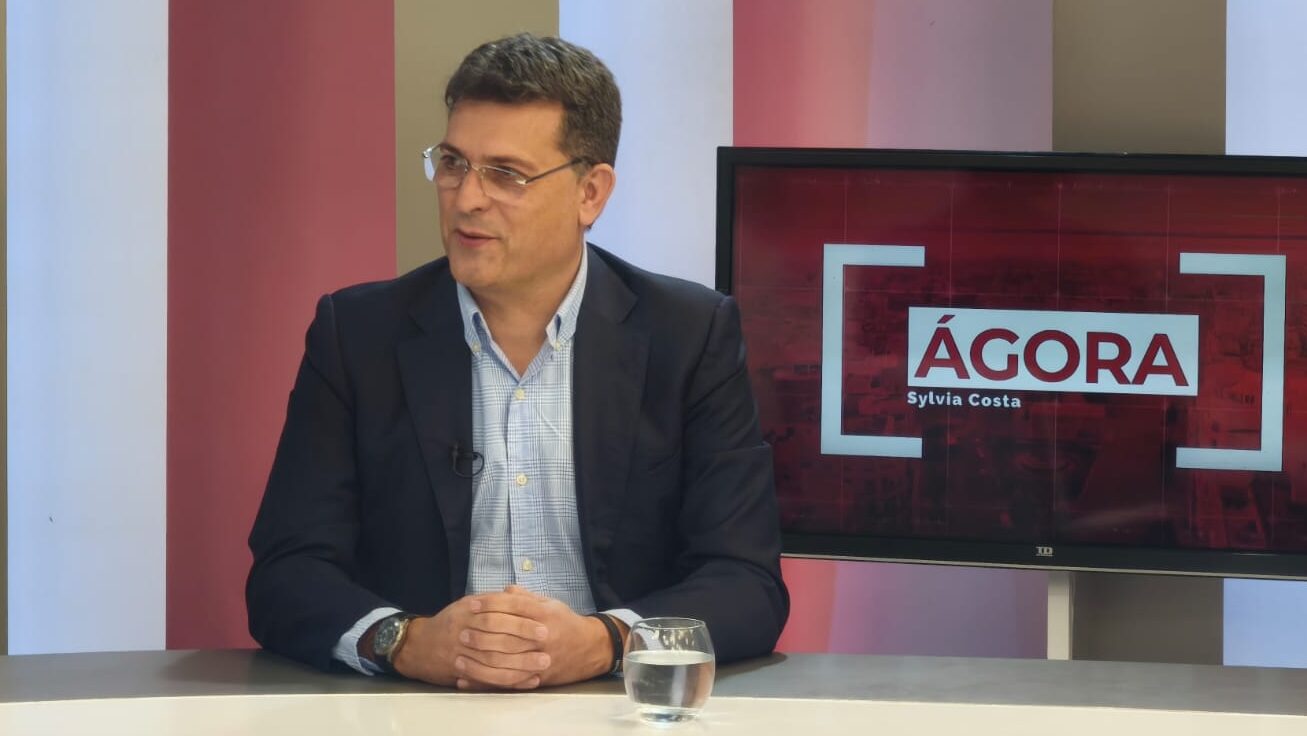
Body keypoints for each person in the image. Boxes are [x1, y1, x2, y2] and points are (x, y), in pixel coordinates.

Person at [246, 33, 788, 690]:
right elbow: (287, 574)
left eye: (506, 174)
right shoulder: (358, 335)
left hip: (615, 708)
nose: (466, 198)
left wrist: (603, 642)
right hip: (415, 709)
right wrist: (407, 640)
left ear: (591, 193)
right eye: (453, 163)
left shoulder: (688, 335)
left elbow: (745, 582)